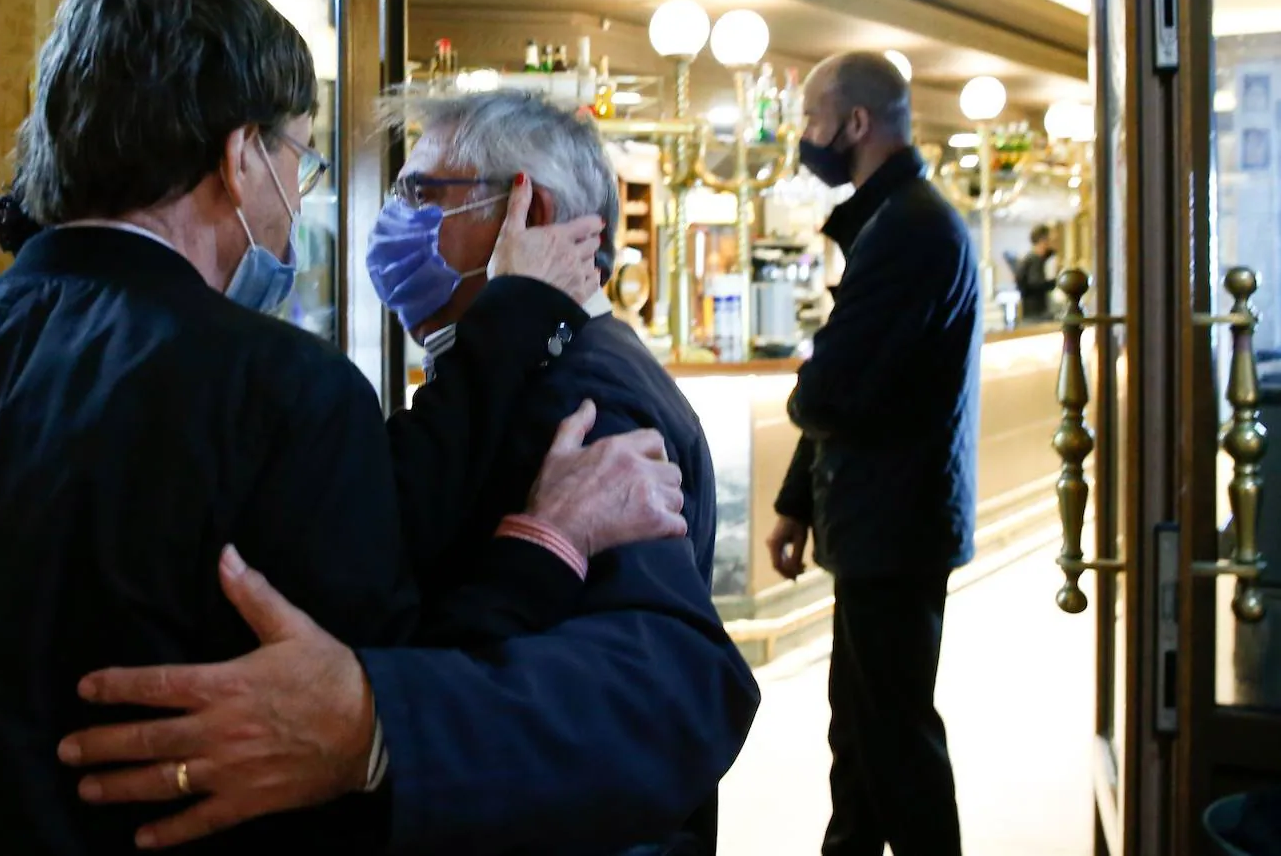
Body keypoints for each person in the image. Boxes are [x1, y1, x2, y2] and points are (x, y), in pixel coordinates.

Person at [0, 0, 736, 856]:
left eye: (421, 194)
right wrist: (544, 546)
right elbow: (358, 699)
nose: (368, 217)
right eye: (299, 160)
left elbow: (665, 684)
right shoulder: (282, 389)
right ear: (238, 158)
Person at [58, 89, 759, 855]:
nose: (394, 218)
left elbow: (652, 692)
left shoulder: (579, 398)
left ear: (531, 212)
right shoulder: (524, 365)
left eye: (423, 194)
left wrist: (376, 725)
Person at [765, 51, 979, 856]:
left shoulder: (913, 227)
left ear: (855, 124)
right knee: (859, 738)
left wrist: (808, 382)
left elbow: (831, 393)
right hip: (881, 521)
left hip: (898, 524)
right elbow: (847, 386)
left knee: (894, 745)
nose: (805, 137)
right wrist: (796, 500)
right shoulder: (894, 219)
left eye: (813, 120)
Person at [1013, 223, 1058, 322]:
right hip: (1036, 314)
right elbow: (1036, 283)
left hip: (1033, 312)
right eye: (1050, 240)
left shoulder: (1031, 258)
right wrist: (1056, 282)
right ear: (1043, 241)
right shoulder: (1034, 260)